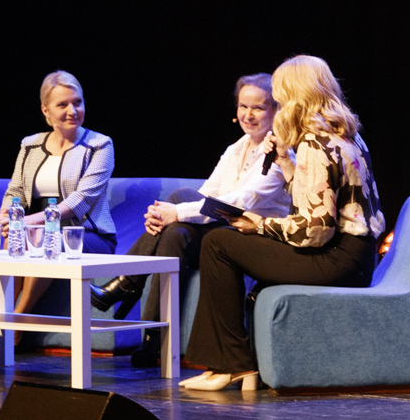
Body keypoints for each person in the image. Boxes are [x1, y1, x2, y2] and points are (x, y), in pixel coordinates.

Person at [180, 55, 386, 391]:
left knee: (218, 243)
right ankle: (229, 365)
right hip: (356, 256)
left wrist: (259, 224)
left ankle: (232, 365)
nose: (279, 103)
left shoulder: (315, 143)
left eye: (280, 96)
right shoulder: (345, 134)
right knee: (224, 242)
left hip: (337, 260)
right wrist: (285, 163)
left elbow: (315, 231)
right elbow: (318, 198)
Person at [90, 74, 291, 367]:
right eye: (243, 106)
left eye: (258, 108)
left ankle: (128, 288)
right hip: (225, 227)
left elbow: (240, 203)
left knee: (178, 212)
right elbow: (209, 193)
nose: (248, 115)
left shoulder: (279, 152)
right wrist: (165, 217)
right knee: (175, 224)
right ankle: (149, 331)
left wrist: (175, 213)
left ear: (276, 110)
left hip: (251, 235)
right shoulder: (237, 148)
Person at [0, 71, 116, 354]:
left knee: (40, 237)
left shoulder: (99, 145)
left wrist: (27, 221)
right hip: (36, 229)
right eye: (62, 105)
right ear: (46, 110)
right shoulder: (31, 145)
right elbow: (15, 190)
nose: (72, 111)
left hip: (86, 234)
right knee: (16, 235)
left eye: (77, 102)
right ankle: (7, 318)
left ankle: (14, 322)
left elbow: (80, 201)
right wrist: (7, 214)